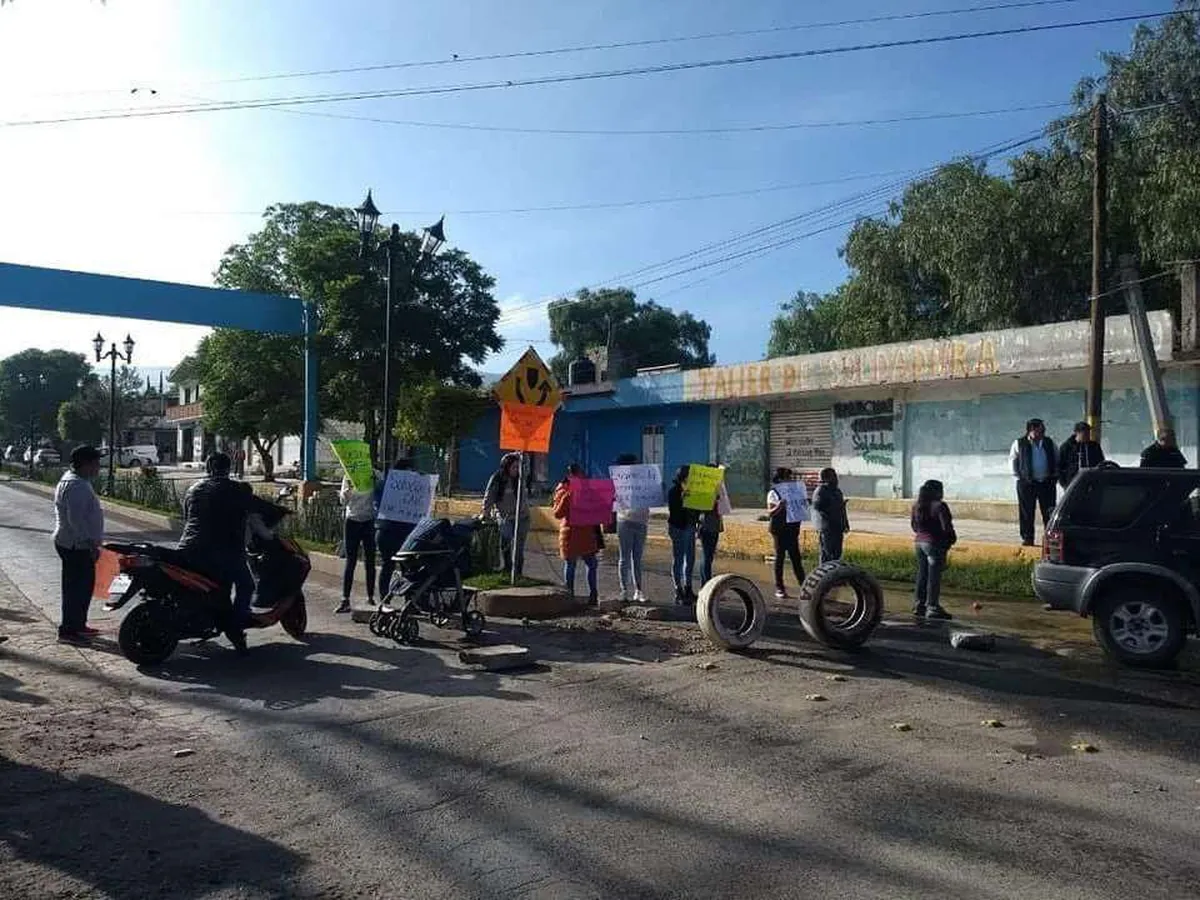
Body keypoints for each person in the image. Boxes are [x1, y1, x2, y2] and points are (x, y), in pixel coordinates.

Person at [176, 451, 258, 651]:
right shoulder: (238, 489)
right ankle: (235, 627)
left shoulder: (193, 489)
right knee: (246, 585)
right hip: (225, 550)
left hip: (188, 548)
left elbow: (187, 517)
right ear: (228, 468)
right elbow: (252, 515)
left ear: (208, 468)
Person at [52, 445, 105, 643]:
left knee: (83, 588)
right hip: (76, 545)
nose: (98, 468)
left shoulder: (76, 480)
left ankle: (78, 625)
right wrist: (91, 544)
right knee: (77, 589)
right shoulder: (76, 486)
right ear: (86, 464)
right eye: (96, 463)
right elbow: (76, 521)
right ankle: (68, 631)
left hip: (74, 543)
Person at [552, 465, 600, 606]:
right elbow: (557, 513)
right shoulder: (564, 491)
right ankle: (572, 594)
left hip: (583, 533)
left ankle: (589, 595)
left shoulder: (586, 490)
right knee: (575, 564)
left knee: (588, 564)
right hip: (573, 533)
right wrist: (568, 497)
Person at [334, 464, 379, 614]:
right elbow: (343, 500)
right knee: (351, 560)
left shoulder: (374, 474)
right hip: (352, 521)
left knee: (370, 560)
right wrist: (350, 489)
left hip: (368, 520)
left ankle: (371, 597)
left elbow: (385, 488)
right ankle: (345, 599)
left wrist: (376, 481)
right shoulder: (348, 476)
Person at [911, 479, 956, 621]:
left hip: (919, 543)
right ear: (937, 491)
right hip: (934, 544)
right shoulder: (940, 506)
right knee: (934, 577)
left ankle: (919, 605)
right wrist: (950, 541)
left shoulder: (916, 506)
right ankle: (932, 607)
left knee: (922, 574)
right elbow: (947, 527)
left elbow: (914, 527)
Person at [1009, 418, 1058, 546]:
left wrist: (1054, 476)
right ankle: (1027, 538)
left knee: (1049, 512)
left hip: (1046, 483)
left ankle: (1051, 538)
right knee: (1026, 512)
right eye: (1040, 430)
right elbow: (1013, 461)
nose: (1042, 433)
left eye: (1043, 430)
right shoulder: (1019, 443)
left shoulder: (1049, 443)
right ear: (1031, 430)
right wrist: (1018, 477)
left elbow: (1056, 458)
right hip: (1027, 483)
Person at [482, 453, 530, 576]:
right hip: (505, 518)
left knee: (519, 547)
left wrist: (520, 453)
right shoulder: (497, 479)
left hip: (522, 517)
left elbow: (526, 462)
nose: (516, 470)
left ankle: (518, 572)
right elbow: (489, 497)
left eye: (517, 467)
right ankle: (508, 568)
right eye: (513, 467)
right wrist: (485, 513)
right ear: (506, 466)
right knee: (506, 544)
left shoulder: (521, 478)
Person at [375, 457, 416, 601]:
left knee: (406, 567)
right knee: (393, 565)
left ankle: (405, 599)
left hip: (396, 532)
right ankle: (388, 598)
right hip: (392, 532)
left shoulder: (385, 484)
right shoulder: (388, 484)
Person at [614, 453, 649, 604]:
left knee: (637, 559)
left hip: (641, 522)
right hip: (625, 521)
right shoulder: (619, 480)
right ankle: (624, 591)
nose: (638, 466)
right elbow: (613, 500)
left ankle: (638, 591)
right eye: (635, 464)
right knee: (624, 558)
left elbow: (653, 495)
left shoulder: (645, 479)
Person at [767, 468, 806, 599]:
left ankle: (804, 586)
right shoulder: (774, 492)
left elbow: (801, 507)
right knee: (780, 557)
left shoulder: (795, 492)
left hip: (792, 528)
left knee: (796, 558)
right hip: (779, 529)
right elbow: (770, 512)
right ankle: (779, 587)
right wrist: (779, 506)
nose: (791, 480)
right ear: (782, 479)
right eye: (789, 477)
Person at [666, 466, 699, 604]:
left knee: (690, 558)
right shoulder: (673, 491)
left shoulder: (694, 491)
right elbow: (674, 511)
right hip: (677, 527)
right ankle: (677, 588)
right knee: (678, 558)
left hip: (690, 527)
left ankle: (688, 587)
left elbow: (698, 508)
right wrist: (683, 499)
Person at [811, 467, 850, 564]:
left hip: (838, 527)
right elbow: (818, 507)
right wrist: (837, 506)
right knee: (827, 555)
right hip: (827, 529)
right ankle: (824, 576)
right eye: (834, 476)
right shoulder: (821, 491)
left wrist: (845, 523)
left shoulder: (837, 491)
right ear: (827, 478)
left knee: (837, 555)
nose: (836, 479)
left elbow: (842, 509)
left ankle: (834, 576)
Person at [1057, 421, 1105, 488]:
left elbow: (1101, 463)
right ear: (1077, 433)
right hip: (1072, 483)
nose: (1087, 436)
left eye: (1088, 434)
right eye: (1085, 434)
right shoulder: (1067, 447)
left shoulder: (1094, 446)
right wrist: (1064, 484)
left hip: (1091, 483)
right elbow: (1059, 467)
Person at [698, 465, 724, 586]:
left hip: (713, 525)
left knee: (709, 556)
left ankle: (705, 584)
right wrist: (715, 501)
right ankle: (706, 585)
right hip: (707, 525)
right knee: (707, 557)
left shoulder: (716, 487)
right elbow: (703, 508)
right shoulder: (704, 488)